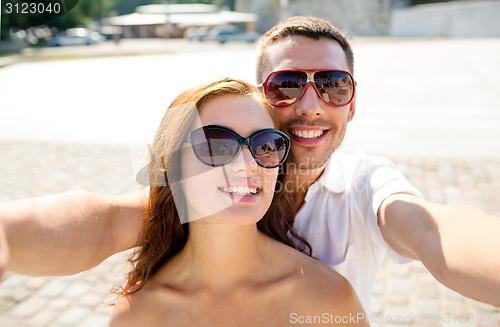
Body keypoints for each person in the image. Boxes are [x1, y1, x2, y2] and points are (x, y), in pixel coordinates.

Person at [1, 16, 499, 313]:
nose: (310, 104)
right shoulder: (212, 176)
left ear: (352, 103)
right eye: (287, 84)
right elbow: (108, 222)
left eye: (333, 84)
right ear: (259, 95)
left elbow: (435, 232)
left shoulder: (366, 185)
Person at [108, 77, 367, 326]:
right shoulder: (138, 313)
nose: (247, 165)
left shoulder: (327, 298)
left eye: (265, 145)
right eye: (217, 145)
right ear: (173, 164)